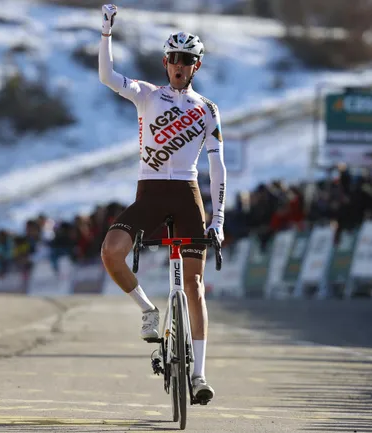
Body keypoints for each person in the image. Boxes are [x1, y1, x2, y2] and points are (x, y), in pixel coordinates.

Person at [98, 4, 226, 403]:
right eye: (174, 58)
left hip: (187, 194)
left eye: (187, 60)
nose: (179, 65)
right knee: (111, 252)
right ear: (165, 62)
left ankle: (200, 376)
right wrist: (106, 33)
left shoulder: (208, 109)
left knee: (195, 286)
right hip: (150, 191)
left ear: (196, 67)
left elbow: (218, 167)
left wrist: (218, 218)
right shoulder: (147, 95)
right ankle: (149, 310)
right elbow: (106, 76)